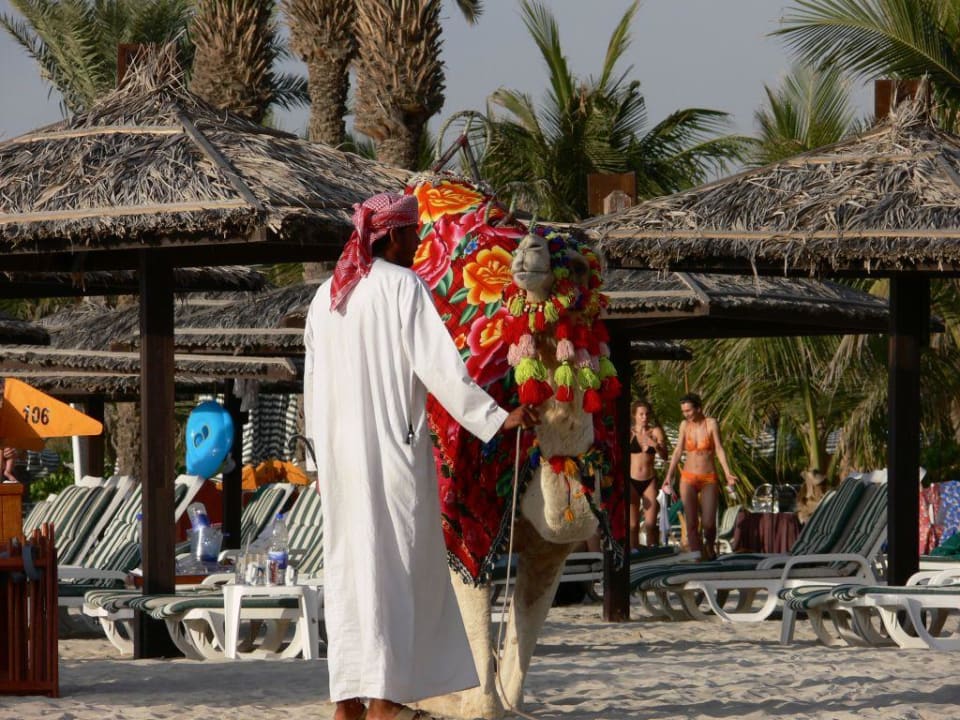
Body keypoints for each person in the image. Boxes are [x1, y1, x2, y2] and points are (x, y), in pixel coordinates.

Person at [303, 192, 539, 720]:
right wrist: (499, 418)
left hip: (339, 466)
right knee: (393, 573)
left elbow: (310, 390)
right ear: (391, 235)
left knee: (350, 576)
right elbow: (442, 369)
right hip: (390, 456)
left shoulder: (325, 298)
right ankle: (385, 704)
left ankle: (348, 704)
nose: (418, 244)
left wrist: (319, 464)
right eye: (413, 235)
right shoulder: (402, 287)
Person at [662, 393, 736, 560]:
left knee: (709, 523)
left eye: (688, 410)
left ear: (698, 408)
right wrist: (669, 475)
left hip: (708, 477)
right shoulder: (684, 425)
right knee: (691, 523)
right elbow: (678, 450)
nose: (686, 414)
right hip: (688, 478)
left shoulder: (711, 424)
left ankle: (709, 547)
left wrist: (727, 472)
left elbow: (718, 449)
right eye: (683, 411)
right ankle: (697, 556)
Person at [628, 401, 669, 548]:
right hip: (632, 481)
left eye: (647, 414)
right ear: (635, 416)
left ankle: (653, 549)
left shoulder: (655, 432)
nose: (645, 417)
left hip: (649, 480)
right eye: (641, 414)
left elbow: (665, 456)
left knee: (651, 524)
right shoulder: (630, 433)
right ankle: (633, 551)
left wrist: (655, 446)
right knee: (632, 526)